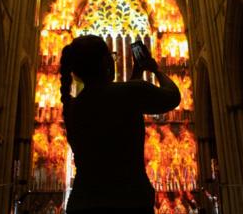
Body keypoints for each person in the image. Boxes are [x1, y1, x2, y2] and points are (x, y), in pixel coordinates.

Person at [60, 35, 181, 214]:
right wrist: (155, 69)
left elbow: (119, 103)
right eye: (112, 56)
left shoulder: (73, 106)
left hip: (84, 203)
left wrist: (137, 75)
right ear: (105, 62)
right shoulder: (130, 92)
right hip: (130, 202)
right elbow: (172, 96)